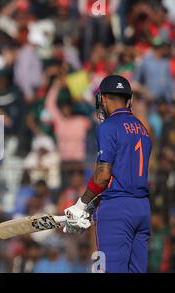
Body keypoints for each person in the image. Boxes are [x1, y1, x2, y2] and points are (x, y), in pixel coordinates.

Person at [63, 75, 152, 273]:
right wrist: (95, 202)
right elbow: (125, 175)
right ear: (129, 100)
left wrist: (82, 204)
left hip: (117, 211)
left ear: (102, 98)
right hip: (142, 209)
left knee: (105, 270)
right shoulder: (143, 129)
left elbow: (103, 174)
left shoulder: (107, 127)